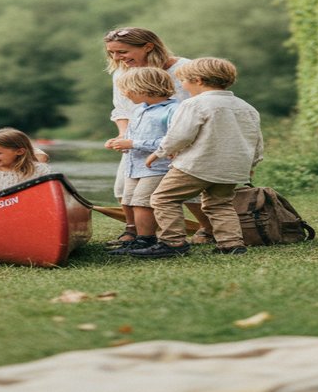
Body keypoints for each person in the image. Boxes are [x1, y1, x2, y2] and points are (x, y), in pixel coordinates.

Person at [131, 57, 263, 258]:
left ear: (198, 80)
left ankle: (172, 242)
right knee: (219, 204)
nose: (182, 86)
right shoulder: (246, 106)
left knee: (163, 198)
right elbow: (256, 139)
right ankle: (231, 244)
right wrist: (252, 164)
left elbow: (180, 135)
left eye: (183, 81)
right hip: (232, 168)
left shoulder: (194, 104)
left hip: (198, 165)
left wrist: (159, 153)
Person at [102, 27, 214, 245]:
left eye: (122, 52)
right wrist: (123, 137)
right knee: (124, 188)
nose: (117, 58)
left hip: (183, 138)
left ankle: (208, 228)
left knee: (185, 189)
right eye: (112, 53)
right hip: (139, 140)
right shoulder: (121, 73)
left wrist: (179, 144)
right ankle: (133, 231)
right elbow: (122, 110)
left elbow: (201, 104)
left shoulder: (184, 68)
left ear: (148, 47)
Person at [104, 67, 179, 255]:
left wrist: (134, 143)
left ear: (144, 88)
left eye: (128, 89)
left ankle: (147, 240)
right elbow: (131, 136)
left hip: (157, 167)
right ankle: (139, 238)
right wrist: (120, 142)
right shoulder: (138, 110)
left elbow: (172, 140)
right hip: (134, 166)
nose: (125, 93)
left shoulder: (173, 110)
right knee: (130, 200)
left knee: (143, 203)